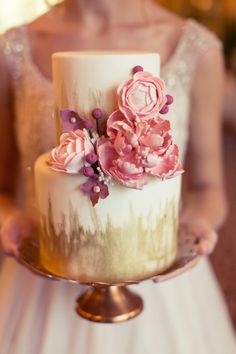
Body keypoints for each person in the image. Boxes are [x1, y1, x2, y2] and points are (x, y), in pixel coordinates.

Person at [0, 0, 235, 353]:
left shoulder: (196, 48)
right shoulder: (13, 48)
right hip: (44, 272)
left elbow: (209, 187)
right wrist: (8, 218)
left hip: (159, 272)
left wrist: (198, 222)